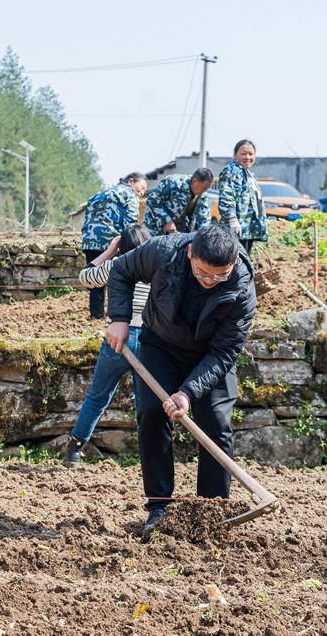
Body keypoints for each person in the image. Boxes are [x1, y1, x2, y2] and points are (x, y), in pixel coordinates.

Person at [105, 224, 255, 540]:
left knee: (216, 423)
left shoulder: (241, 286)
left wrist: (187, 392)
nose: (210, 282)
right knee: (151, 413)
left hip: (211, 355)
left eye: (219, 276)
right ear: (190, 254)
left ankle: (212, 510)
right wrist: (118, 318)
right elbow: (120, 269)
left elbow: (225, 351)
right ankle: (160, 506)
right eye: (203, 274)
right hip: (162, 344)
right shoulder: (162, 251)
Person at [63, 223, 152, 467]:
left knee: (98, 397)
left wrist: (110, 250)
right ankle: (150, 454)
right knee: (146, 401)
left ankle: (74, 448)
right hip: (147, 339)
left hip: (117, 339)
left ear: (122, 246)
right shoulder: (155, 268)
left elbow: (86, 278)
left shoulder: (115, 265)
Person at [81, 173, 148, 319]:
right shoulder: (129, 195)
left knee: (96, 278)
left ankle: (96, 316)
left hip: (89, 240)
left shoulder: (98, 194)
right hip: (111, 241)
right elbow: (131, 225)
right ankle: (118, 315)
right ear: (131, 182)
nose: (142, 192)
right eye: (141, 187)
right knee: (117, 277)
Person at [216, 139, 267, 254]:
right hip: (236, 229)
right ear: (235, 155)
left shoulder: (249, 175)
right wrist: (232, 219)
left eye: (250, 154)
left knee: (244, 262)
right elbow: (227, 195)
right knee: (234, 263)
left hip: (247, 229)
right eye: (243, 154)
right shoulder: (232, 171)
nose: (247, 157)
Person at [143, 168, 214, 236]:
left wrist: (202, 235)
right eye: (204, 188)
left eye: (207, 189)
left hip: (179, 230)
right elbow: (152, 201)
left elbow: (204, 219)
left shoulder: (202, 195)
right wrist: (167, 221)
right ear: (194, 181)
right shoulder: (174, 182)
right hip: (155, 227)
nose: (204, 191)